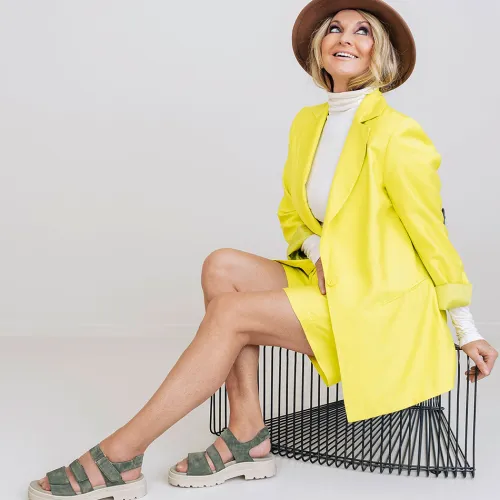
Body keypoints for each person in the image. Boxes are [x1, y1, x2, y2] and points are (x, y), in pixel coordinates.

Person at [28, 0, 498, 498]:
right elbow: (294, 213)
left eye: (363, 31)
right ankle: (247, 432)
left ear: (377, 52)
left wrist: (465, 328)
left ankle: (122, 454)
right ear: (320, 47)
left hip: (383, 301)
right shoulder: (308, 123)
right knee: (221, 266)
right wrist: (319, 253)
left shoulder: (397, 134)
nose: (345, 37)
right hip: (334, 280)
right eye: (334, 28)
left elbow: (430, 232)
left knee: (231, 314)